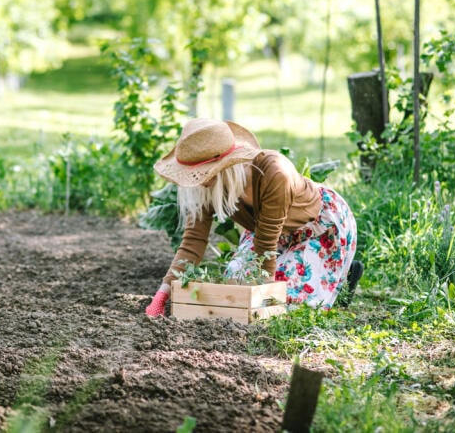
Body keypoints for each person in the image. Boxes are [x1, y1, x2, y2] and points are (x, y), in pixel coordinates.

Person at [144, 118, 362, 317]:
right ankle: (326, 282)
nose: (198, 181)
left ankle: (340, 278)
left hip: (317, 227)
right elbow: (193, 243)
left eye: (204, 176)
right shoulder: (206, 187)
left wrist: (261, 305)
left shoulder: (275, 172)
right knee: (235, 281)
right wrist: (163, 294)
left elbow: (266, 250)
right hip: (267, 232)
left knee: (290, 300)